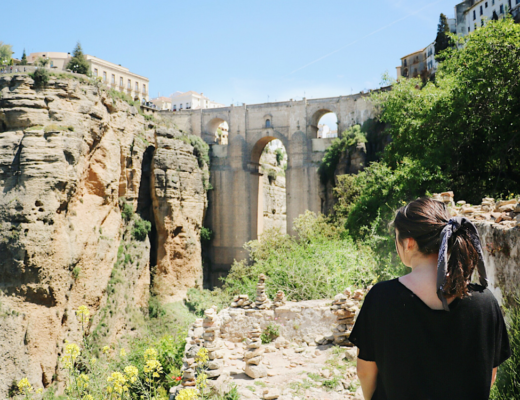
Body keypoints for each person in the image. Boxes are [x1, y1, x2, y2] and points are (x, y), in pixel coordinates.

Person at [349, 197, 511, 400]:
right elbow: (489, 376)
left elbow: (365, 372)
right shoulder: (485, 301)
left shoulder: (381, 298)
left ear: (408, 242)